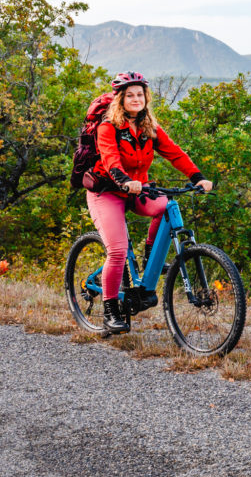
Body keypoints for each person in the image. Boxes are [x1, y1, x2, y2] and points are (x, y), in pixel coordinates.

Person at [86, 71, 212, 333]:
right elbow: (110, 159)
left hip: (137, 189)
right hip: (107, 191)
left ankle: (149, 255)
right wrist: (123, 180)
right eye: (129, 95)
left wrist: (197, 176)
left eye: (139, 94)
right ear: (120, 99)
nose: (135, 99)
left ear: (146, 98)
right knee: (118, 252)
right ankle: (110, 311)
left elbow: (175, 153)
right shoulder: (108, 127)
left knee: (167, 205)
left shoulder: (149, 128)